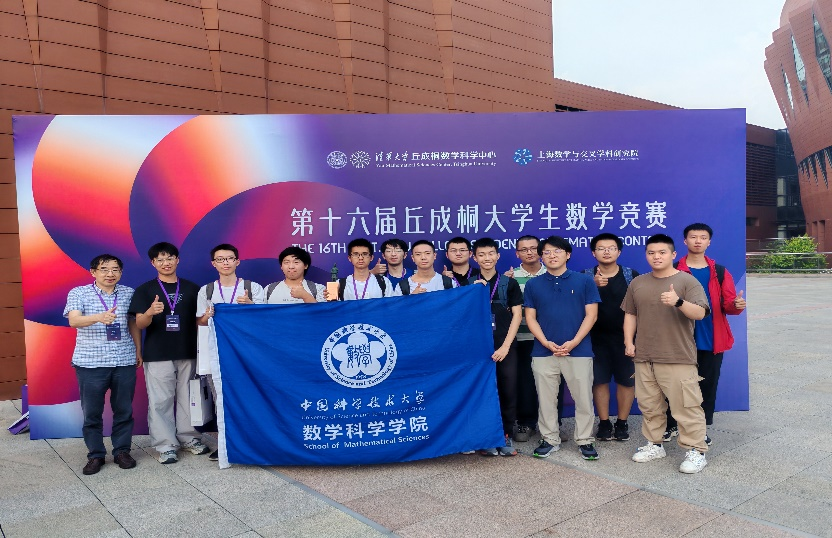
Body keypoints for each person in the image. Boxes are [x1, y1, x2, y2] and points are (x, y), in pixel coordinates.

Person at [622, 233, 711, 474]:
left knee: (686, 406)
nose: (656, 257)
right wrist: (629, 341)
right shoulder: (637, 283)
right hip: (644, 355)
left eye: (662, 252)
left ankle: (696, 451)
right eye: (651, 253)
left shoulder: (687, 281)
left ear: (673, 254)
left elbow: (701, 313)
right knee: (649, 405)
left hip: (677, 356)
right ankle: (654, 444)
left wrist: (678, 302)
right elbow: (630, 314)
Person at [663, 223, 746, 445]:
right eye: (693, 237)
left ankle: (700, 430)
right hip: (679, 338)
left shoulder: (719, 272)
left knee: (706, 387)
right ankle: (671, 424)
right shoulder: (673, 269)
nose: (698, 241)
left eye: (703, 237)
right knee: (674, 385)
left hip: (711, 337)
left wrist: (736, 305)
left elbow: (728, 305)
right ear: (685, 241)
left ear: (709, 242)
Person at [129, 242, 209, 464]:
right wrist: (149, 312)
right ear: (153, 263)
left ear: (177, 260)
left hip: (188, 351)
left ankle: (189, 438)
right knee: (160, 401)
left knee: (188, 399)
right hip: (157, 353)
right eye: (160, 259)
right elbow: (140, 324)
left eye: (170, 258)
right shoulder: (145, 290)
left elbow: (199, 321)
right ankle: (166, 445)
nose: (166, 263)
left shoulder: (193, 289)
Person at [523, 236, 601, 460]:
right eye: (547, 252)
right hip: (543, 351)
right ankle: (549, 439)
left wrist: (574, 342)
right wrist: (546, 342)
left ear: (568, 254)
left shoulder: (584, 281)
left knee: (583, 399)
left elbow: (591, 315)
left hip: (579, 350)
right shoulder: (533, 284)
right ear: (541, 256)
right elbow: (530, 317)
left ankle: (585, 440)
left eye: (557, 251)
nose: (552, 255)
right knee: (546, 399)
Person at [64, 254, 142, 475]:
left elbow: (132, 323)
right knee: (92, 413)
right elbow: (74, 320)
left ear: (121, 272)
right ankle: (95, 455)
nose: (110, 274)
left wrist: (138, 350)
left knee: (124, 410)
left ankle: (122, 451)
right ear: (93, 272)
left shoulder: (128, 293)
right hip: (91, 363)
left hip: (124, 360)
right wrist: (98, 317)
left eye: (115, 269)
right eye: (104, 269)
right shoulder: (79, 293)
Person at [196, 244, 265, 461]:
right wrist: (207, 315)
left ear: (237, 261)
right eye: (220, 259)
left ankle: (253, 441)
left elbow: (264, 319)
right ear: (213, 263)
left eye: (229, 258)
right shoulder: (206, 290)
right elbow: (200, 322)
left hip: (246, 354)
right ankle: (226, 443)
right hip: (216, 354)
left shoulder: (252, 288)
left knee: (250, 396)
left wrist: (250, 305)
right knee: (221, 399)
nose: (225, 262)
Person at [583, 233, 639, 442]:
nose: (606, 252)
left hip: (626, 338)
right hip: (594, 339)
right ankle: (604, 422)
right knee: (599, 381)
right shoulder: (585, 276)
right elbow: (574, 303)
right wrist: (592, 285)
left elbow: (639, 307)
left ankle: (622, 422)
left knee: (626, 381)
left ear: (619, 252)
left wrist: (632, 339)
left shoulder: (631, 275)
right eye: (601, 248)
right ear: (593, 253)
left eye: (611, 248)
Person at [470, 238, 523, 457]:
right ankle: (485, 437)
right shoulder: (469, 284)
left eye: (491, 253)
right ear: (475, 258)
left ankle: (505, 435)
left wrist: (505, 347)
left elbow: (517, 315)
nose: (487, 258)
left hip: (505, 346)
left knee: (507, 390)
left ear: (498, 255)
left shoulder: (509, 283)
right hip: (478, 349)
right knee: (482, 392)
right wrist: (473, 293)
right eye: (481, 254)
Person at [507, 235, 550, 443]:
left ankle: (553, 424)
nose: (529, 252)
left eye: (533, 248)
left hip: (549, 339)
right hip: (522, 338)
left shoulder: (552, 272)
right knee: (525, 382)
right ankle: (526, 422)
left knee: (552, 382)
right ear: (517, 254)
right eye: (524, 250)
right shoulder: (510, 278)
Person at [325, 238, 392, 300]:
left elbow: (391, 306)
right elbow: (333, 307)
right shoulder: (340, 284)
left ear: (371, 257)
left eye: (365, 254)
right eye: (356, 254)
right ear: (349, 258)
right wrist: (329, 299)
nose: (360, 258)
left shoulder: (384, 282)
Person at [391, 240, 456, 295]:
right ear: (413, 258)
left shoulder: (448, 283)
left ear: (434, 256)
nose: (423, 257)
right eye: (418, 254)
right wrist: (412, 298)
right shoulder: (402, 286)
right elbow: (397, 306)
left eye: (427, 253)